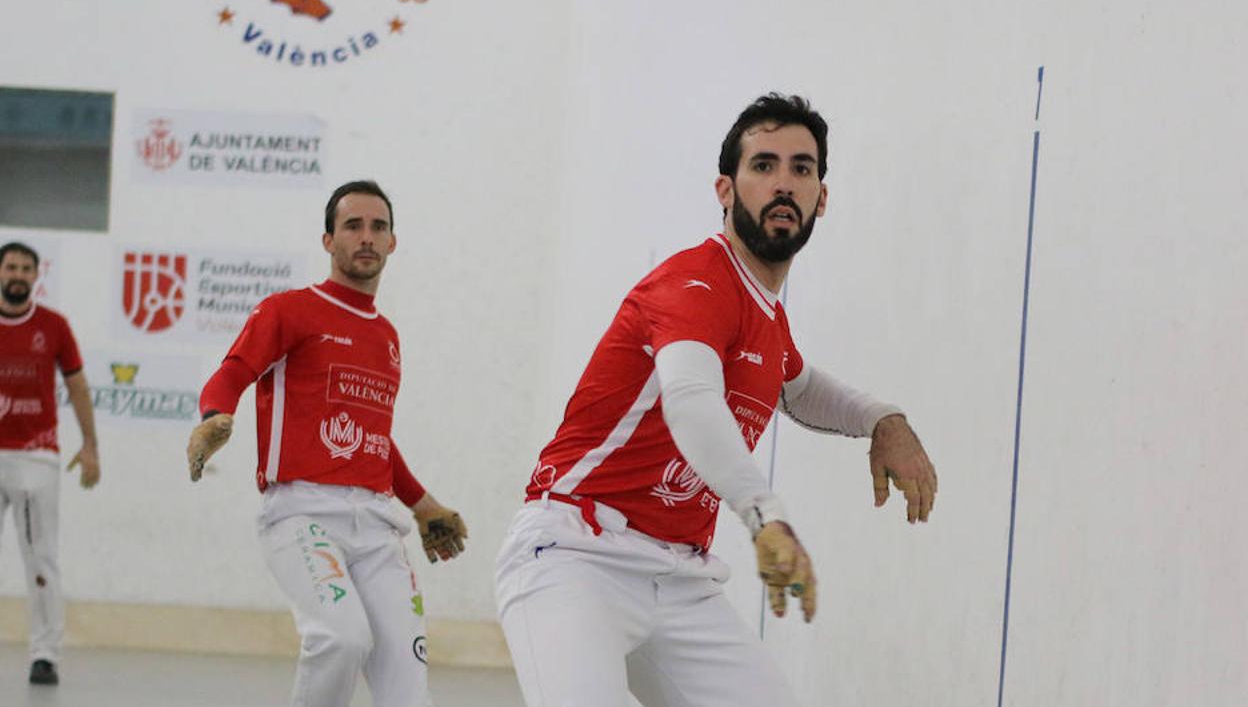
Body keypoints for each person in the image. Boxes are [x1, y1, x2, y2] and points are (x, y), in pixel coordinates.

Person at [494, 94, 939, 707]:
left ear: (822, 198)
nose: (783, 183)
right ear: (725, 190)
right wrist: (766, 515)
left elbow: (800, 386)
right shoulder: (694, 283)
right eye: (764, 166)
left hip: (679, 577)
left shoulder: (766, 313)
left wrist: (882, 418)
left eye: (802, 169)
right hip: (574, 554)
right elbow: (691, 397)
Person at [185, 181, 468, 707]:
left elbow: (376, 437)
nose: (366, 237)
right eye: (352, 226)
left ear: (392, 243)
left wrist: (423, 505)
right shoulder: (289, 310)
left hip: (378, 527)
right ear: (327, 240)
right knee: (341, 639)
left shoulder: (387, 336)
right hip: (300, 516)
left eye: (377, 227)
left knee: (408, 681)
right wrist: (213, 418)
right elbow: (232, 373)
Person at [0, 241, 100, 686]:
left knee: (41, 557)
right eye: (10, 267)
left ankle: (45, 654)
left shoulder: (54, 326)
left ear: (36, 275)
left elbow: (78, 387)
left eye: (25, 267)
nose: (17, 274)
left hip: (36, 456)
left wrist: (91, 445)